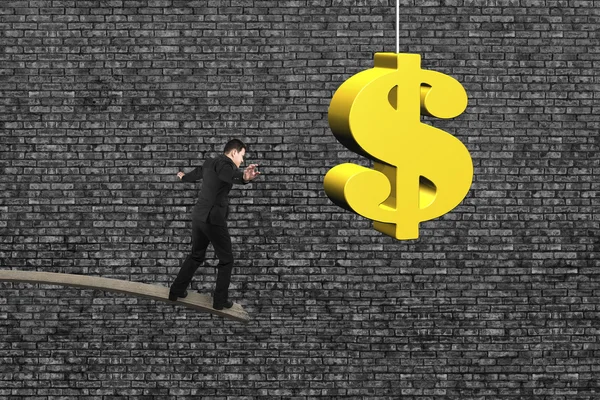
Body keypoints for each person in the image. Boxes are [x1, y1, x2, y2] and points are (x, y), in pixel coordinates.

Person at [169, 139, 260, 310]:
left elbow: (197, 173)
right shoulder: (227, 166)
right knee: (226, 260)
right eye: (242, 156)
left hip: (198, 216)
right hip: (213, 219)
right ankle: (219, 301)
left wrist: (183, 178)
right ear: (234, 152)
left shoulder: (210, 162)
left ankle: (176, 291)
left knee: (196, 255)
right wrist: (244, 178)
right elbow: (227, 175)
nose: (242, 161)